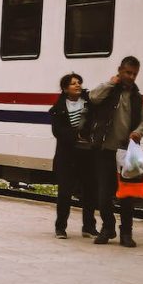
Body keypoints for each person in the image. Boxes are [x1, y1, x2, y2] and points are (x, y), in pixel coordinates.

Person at [87, 56, 143, 248]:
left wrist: (138, 132)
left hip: (127, 151)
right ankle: (108, 227)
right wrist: (109, 82)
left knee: (127, 196)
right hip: (106, 149)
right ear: (120, 70)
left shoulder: (137, 97)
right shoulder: (110, 90)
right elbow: (93, 97)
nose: (131, 77)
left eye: (134, 74)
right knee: (104, 195)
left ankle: (126, 233)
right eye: (128, 72)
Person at [48, 72, 98, 240]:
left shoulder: (89, 103)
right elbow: (57, 131)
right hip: (67, 155)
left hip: (87, 154)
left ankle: (89, 227)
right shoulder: (58, 108)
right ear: (65, 88)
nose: (77, 85)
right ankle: (60, 227)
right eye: (73, 83)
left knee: (90, 191)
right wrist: (74, 136)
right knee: (65, 193)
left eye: (79, 82)